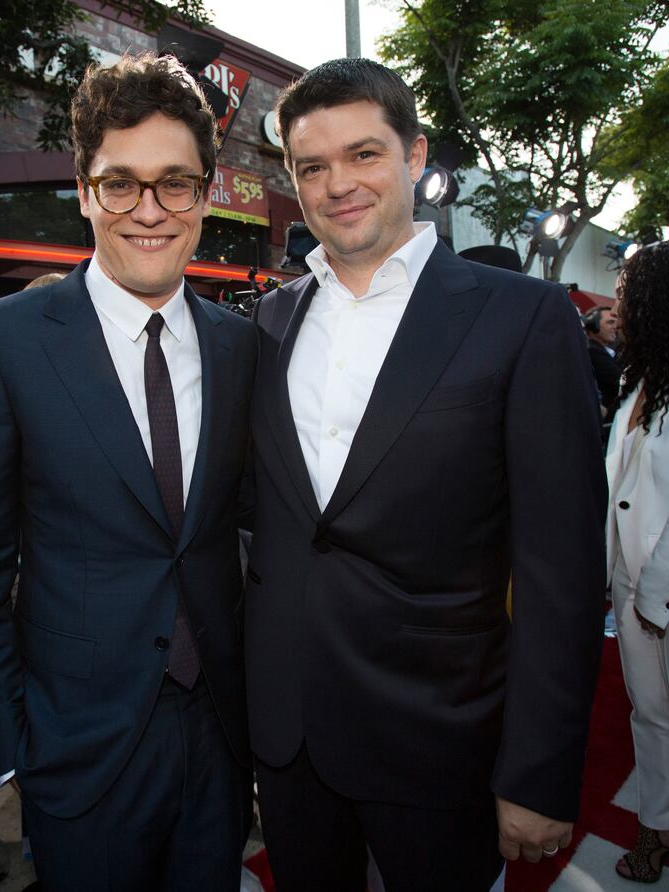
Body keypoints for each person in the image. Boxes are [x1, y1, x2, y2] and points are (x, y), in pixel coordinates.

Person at [244, 58, 607, 892]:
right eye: (312, 166)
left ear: (414, 156)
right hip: (292, 742)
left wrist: (539, 771)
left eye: (364, 154)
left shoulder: (522, 316)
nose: (338, 184)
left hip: (442, 740)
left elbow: (561, 569)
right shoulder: (269, 320)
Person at [0, 52, 257, 892]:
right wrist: (8, 751)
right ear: (84, 191)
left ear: (205, 195)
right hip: (74, 752)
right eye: (120, 184)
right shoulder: (4, 341)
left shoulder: (241, 346)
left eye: (175, 184)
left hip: (221, 741)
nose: (148, 211)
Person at [605, 242, 669, 884]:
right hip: (630, 581)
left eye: (626, 292)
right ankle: (658, 828)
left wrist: (655, 594)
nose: (615, 304)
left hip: (662, 586)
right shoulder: (641, 382)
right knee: (649, 717)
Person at [583, 305, 621, 415]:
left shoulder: (605, 350)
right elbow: (620, 379)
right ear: (593, 325)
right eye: (610, 322)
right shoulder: (593, 351)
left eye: (616, 322)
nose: (616, 327)